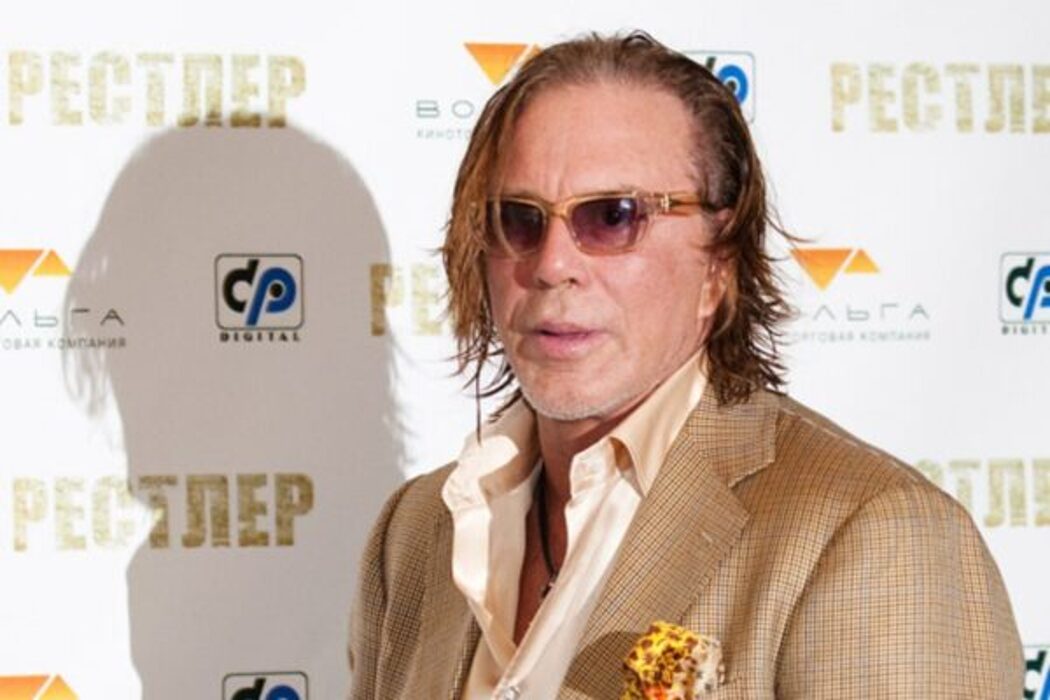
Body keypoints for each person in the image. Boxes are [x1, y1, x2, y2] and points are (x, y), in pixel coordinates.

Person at [349, 32, 1022, 699]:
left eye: (612, 218)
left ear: (720, 264)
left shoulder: (874, 534)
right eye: (519, 219)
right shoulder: (415, 533)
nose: (552, 264)